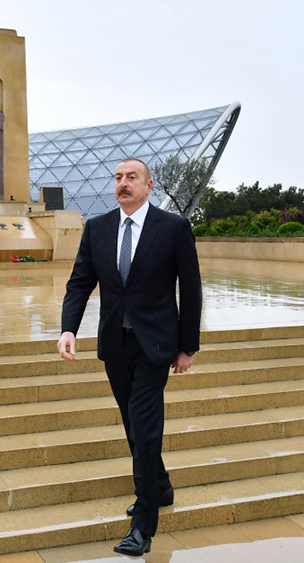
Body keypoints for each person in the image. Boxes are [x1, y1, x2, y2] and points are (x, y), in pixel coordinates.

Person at [57, 157, 202, 557]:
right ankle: (161, 485)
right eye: (118, 177)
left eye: (132, 177)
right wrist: (68, 329)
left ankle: (143, 525)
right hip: (115, 344)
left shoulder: (172, 228)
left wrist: (187, 346)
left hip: (155, 344)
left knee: (144, 425)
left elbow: (191, 289)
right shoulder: (98, 228)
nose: (123, 183)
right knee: (132, 422)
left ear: (148, 185)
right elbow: (79, 283)